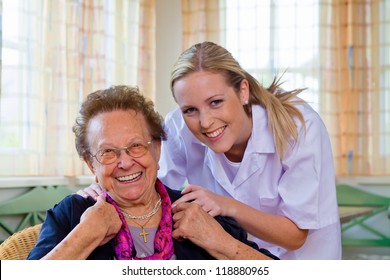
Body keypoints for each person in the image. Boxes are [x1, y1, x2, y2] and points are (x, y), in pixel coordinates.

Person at [79, 42, 341, 260]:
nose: (204, 122)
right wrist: (103, 190)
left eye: (216, 102)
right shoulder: (178, 128)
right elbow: (151, 189)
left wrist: (225, 205)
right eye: (190, 110)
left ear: (242, 90)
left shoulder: (298, 127)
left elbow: (295, 236)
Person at [27, 85, 277, 260]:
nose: (125, 163)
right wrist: (86, 235)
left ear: (157, 149)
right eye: (108, 152)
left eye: (136, 146)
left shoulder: (195, 210)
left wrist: (219, 241)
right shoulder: (72, 215)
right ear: (91, 164)